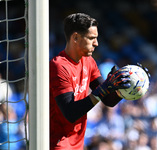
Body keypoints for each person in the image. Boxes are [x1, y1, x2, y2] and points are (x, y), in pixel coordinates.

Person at [50, 13, 131, 150]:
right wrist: (103, 89)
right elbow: (71, 113)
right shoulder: (59, 66)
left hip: (78, 143)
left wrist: (123, 89)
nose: (96, 43)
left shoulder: (89, 61)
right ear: (75, 37)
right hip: (58, 143)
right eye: (92, 38)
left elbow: (108, 100)